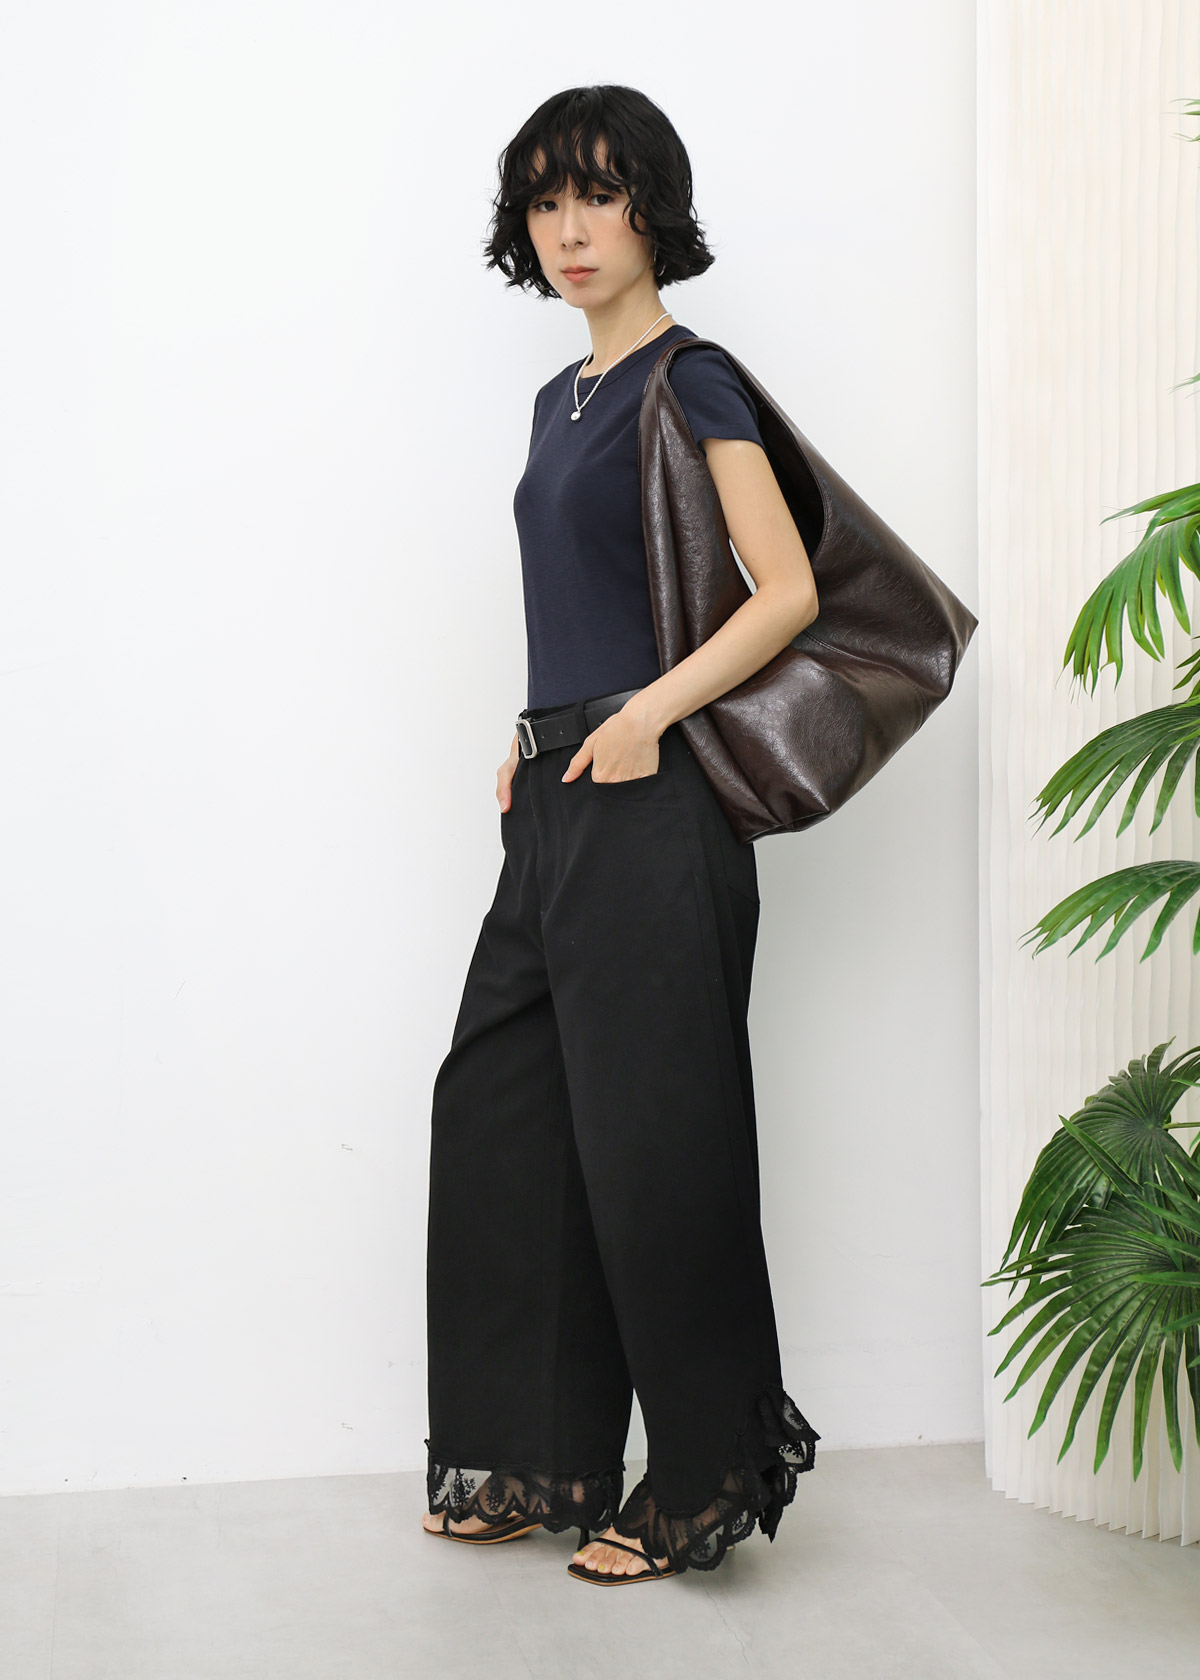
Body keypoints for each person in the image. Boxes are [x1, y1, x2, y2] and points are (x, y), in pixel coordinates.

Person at [421, 83, 821, 1584]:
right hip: (559, 794)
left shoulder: (690, 379)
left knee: (657, 1144)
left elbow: (788, 591)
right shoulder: (559, 400)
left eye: (598, 194)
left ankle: (699, 1486)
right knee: (506, 1118)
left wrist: (647, 712)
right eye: (545, 201)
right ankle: (540, 1458)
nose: (570, 228)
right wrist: (529, 742)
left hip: (656, 804)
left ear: (654, 207)